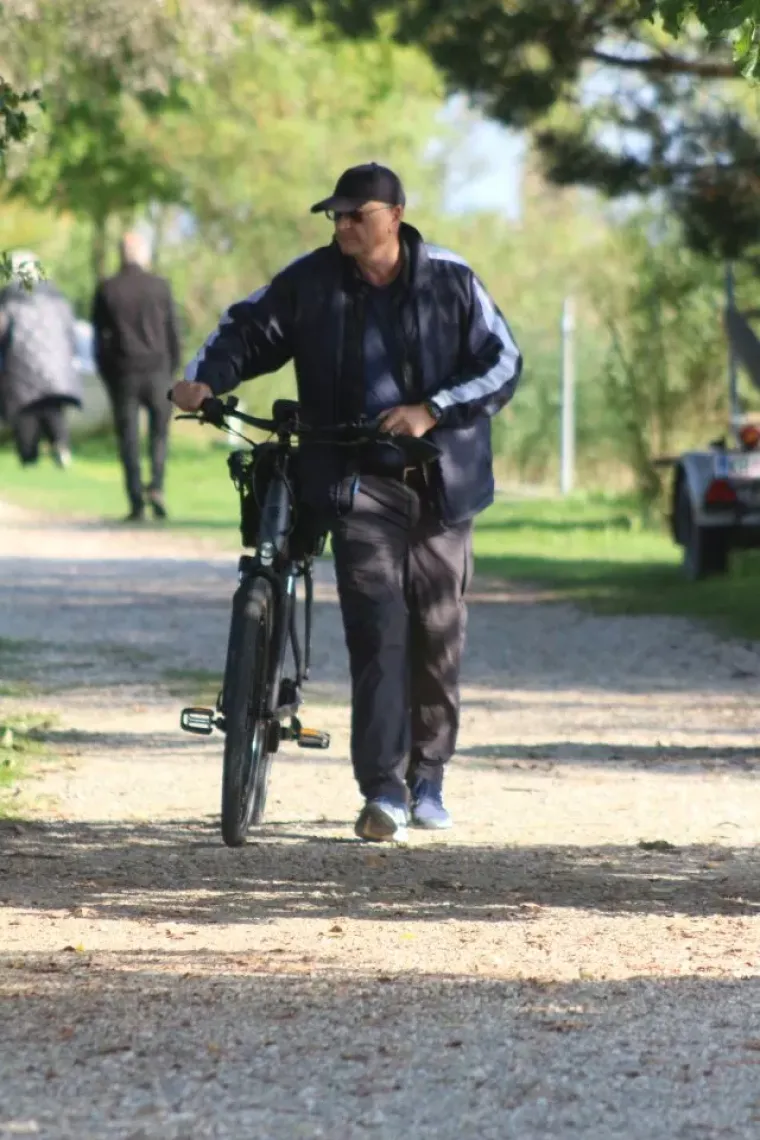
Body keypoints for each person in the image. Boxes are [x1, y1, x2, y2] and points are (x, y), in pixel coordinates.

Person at [171, 162, 522, 842]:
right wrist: (202, 381)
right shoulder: (311, 282)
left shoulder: (450, 279)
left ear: (393, 214)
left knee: (437, 635)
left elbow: (503, 362)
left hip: (442, 482)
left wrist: (432, 408)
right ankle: (384, 791)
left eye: (354, 214)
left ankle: (429, 778)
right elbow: (246, 331)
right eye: (335, 216)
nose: (342, 226)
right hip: (358, 479)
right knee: (377, 628)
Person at [91, 231, 181, 521]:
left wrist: (108, 375)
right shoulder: (160, 287)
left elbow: (99, 341)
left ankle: (135, 501)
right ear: (143, 254)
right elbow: (173, 333)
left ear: (121, 253)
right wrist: (173, 370)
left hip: (124, 372)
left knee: (128, 439)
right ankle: (156, 486)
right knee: (159, 435)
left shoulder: (107, 288)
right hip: (158, 371)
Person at [0, 250, 82, 468]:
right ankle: (61, 445)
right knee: (52, 407)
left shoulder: (9, 297)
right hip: (56, 365)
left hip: (20, 365)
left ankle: (29, 456)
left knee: (26, 409)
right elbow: (70, 330)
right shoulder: (56, 296)